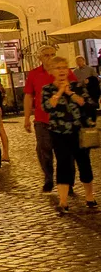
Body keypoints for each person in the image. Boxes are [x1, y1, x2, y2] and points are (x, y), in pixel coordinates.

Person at [42, 55, 98, 215]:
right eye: (57, 68)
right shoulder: (47, 89)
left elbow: (88, 104)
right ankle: (63, 201)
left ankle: (89, 197)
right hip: (58, 133)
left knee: (84, 163)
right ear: (51, 71)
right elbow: (47, 107)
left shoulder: (78, 86)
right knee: (63, 164)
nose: (61, 71)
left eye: (64, 68)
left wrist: (71, 93)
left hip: (78, 131)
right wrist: (60, 91)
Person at [24, 43, 76, 193]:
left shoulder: (66, 72)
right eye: (47, 55)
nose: (50, 58)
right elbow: (29, 95)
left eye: (53, 54)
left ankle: (67, 183)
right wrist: (27, 117)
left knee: (66, 152)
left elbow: (75, 91)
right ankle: (48, 178)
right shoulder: (34, 74)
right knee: (44, 149)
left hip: (64, 119)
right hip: (42, 119)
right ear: (40, 58)